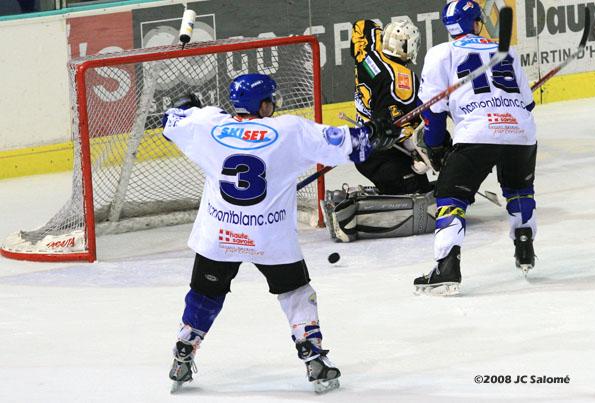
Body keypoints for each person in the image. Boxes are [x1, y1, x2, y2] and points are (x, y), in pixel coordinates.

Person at [161, 73, 401, 393]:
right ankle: (313, 357)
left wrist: (189, 108)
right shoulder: (289, 130)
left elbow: (170, 122)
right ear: (262, 104)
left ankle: (183, 354)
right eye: (270, 100)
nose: (274, 105)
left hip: (220, 233)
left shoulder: (206, 125)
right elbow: (349, 146)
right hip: (269, 237)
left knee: (205, 294)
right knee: (295, 292)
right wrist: (376, 133)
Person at [413, 0, 537, 296]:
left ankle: (447, 267)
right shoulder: (507, 51)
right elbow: (527, 103)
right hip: (521, 133)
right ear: (476, 22)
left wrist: (435, 148)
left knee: (451, 195)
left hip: (477, 133)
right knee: (519, 190)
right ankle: (524, 246)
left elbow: (432, 112)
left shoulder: (441, 53)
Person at [321, 18, 436, 243]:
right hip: (381, 156)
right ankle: (351, 211)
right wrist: (416, 151)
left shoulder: (368, 53)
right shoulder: (403, 81)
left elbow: (361, 26)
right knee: (420, 195)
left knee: (415, 186)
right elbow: (391, 130)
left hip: (362, 148)